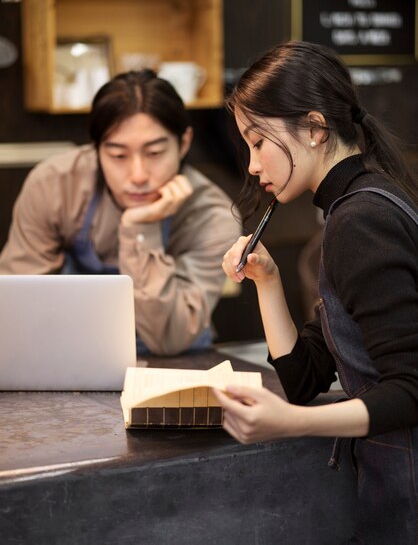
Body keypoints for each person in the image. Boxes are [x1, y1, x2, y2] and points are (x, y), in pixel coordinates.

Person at [213, 41, 418, 544]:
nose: (253, 165)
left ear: (313, 127)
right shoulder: (351, 208)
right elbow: (304, 377)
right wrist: (268, 283)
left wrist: (291, 423)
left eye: (258, 143)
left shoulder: (359, 220)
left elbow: (411, 389)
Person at [0, 69, 241, 356]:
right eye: (117, 155)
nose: (138, 175)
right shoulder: (55, 184)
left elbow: (169, 338)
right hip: (71, 349)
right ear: (97, 148)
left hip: (173, 360)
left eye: (154, 153)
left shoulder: (211, 215)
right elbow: (17, 308)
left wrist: (141, 230)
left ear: (184, 142)